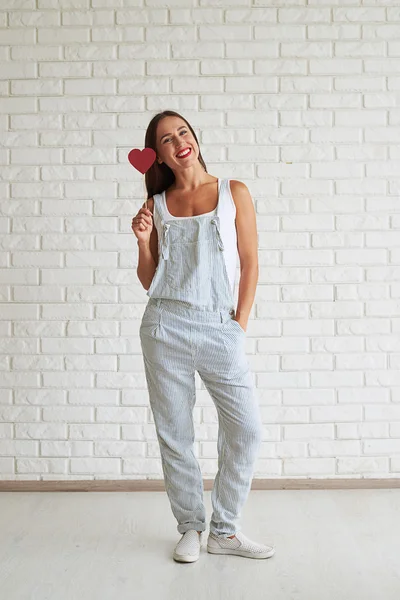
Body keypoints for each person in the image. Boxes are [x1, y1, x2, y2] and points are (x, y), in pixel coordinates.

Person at [132, 110, 275, 563]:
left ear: (194, 138)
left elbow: (251, 262)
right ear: (159, 154)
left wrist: (240, 324)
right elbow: (149, 279)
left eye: (184, 133)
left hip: (219, 326)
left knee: (246, 430)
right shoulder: (156, 203)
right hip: (164, 326)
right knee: (175, 434)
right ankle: (191, 527)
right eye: (167, 139)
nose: (179, 143)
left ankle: (225, 530)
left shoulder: (234, 193)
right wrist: (141, 242)